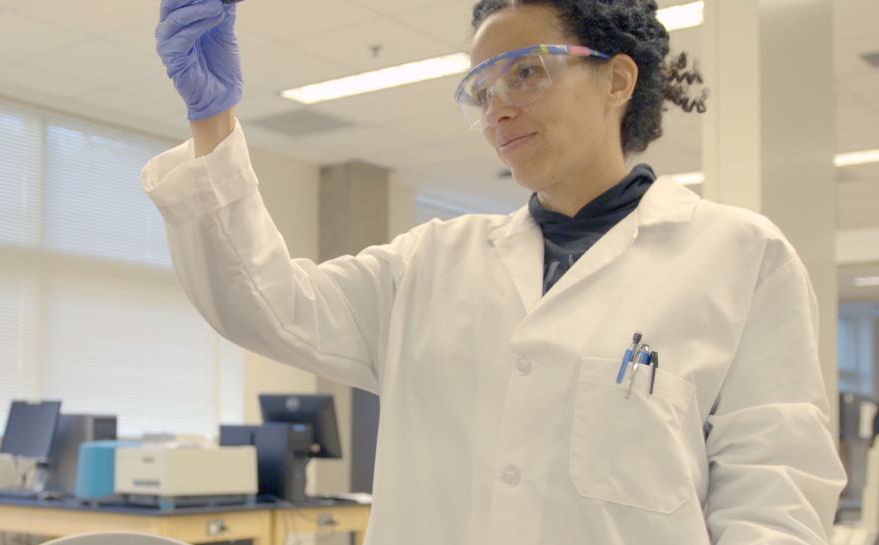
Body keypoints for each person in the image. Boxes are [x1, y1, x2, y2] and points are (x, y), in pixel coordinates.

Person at [143, 0, 847, 543]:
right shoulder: (429, 264)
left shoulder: (739, 257)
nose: (497, 108)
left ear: (617, 79)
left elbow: (774, 502)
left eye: (526, 72)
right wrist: (214, 120)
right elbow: (265, 304)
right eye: (481, 89)